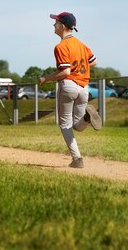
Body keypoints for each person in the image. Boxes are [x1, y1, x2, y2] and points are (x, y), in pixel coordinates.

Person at [38, 12, 101, 169]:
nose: (54, 25)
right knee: (78, 125)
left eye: (56, 22)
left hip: (68, 85)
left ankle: (77, 159)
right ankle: (87, 118)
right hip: (83, 88)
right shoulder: (81, 45)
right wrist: (79, 66)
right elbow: (93, 62)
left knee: (65, 124)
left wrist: (46, 78)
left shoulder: (61, 46)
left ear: (63, 26)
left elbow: (65, 72)